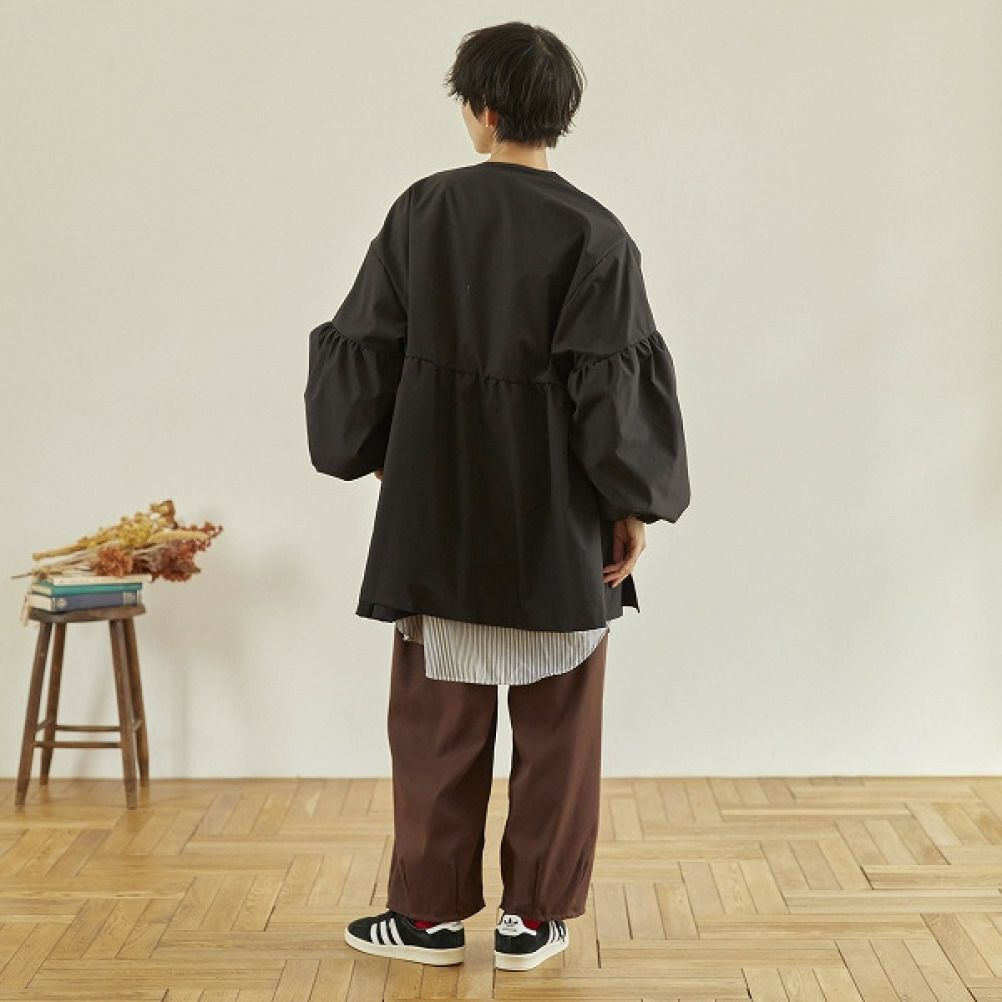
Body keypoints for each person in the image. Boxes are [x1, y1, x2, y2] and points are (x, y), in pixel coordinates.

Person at [304, 20, 690, 971]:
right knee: (559, 730)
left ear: (480, 111)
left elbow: (367, 349)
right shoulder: (598, 234)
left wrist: (382, 451)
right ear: (560, 115)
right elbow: (612, 390)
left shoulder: (423, 211)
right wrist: (630, 504)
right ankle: (533, 920)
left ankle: (427, 920)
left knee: (437, 727)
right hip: (559, 529)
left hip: (438, 520)